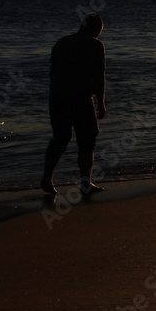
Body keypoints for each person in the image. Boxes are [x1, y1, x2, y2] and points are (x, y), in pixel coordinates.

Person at [41, 13, 107, 195]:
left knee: (60, 138)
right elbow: (99, 75)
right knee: (87, 140)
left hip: (57, 97)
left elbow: (53, 71)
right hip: (80, 98)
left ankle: (47, 177)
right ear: (95, 28)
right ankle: (85, 182)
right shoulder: (95, 45)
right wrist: (101, 103)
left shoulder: (62, 43)